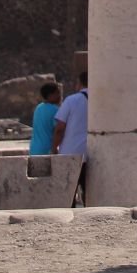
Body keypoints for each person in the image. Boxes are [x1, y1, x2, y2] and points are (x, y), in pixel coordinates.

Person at [52, 71, 89, 205]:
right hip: (93, 154)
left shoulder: (71, 100)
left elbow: (60, 128)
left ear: (79, 83)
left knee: (68, 193)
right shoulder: (102, 100)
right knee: (89, 192)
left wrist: (54, 148)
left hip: (71, 153)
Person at [28, 82, 61, 156]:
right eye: (57, 93)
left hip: (34, 149)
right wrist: (55, 148)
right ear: (50, 95)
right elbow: (58, 130)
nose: (59, 96)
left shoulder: (38, 108)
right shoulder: (55, 110)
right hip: (46, 149)